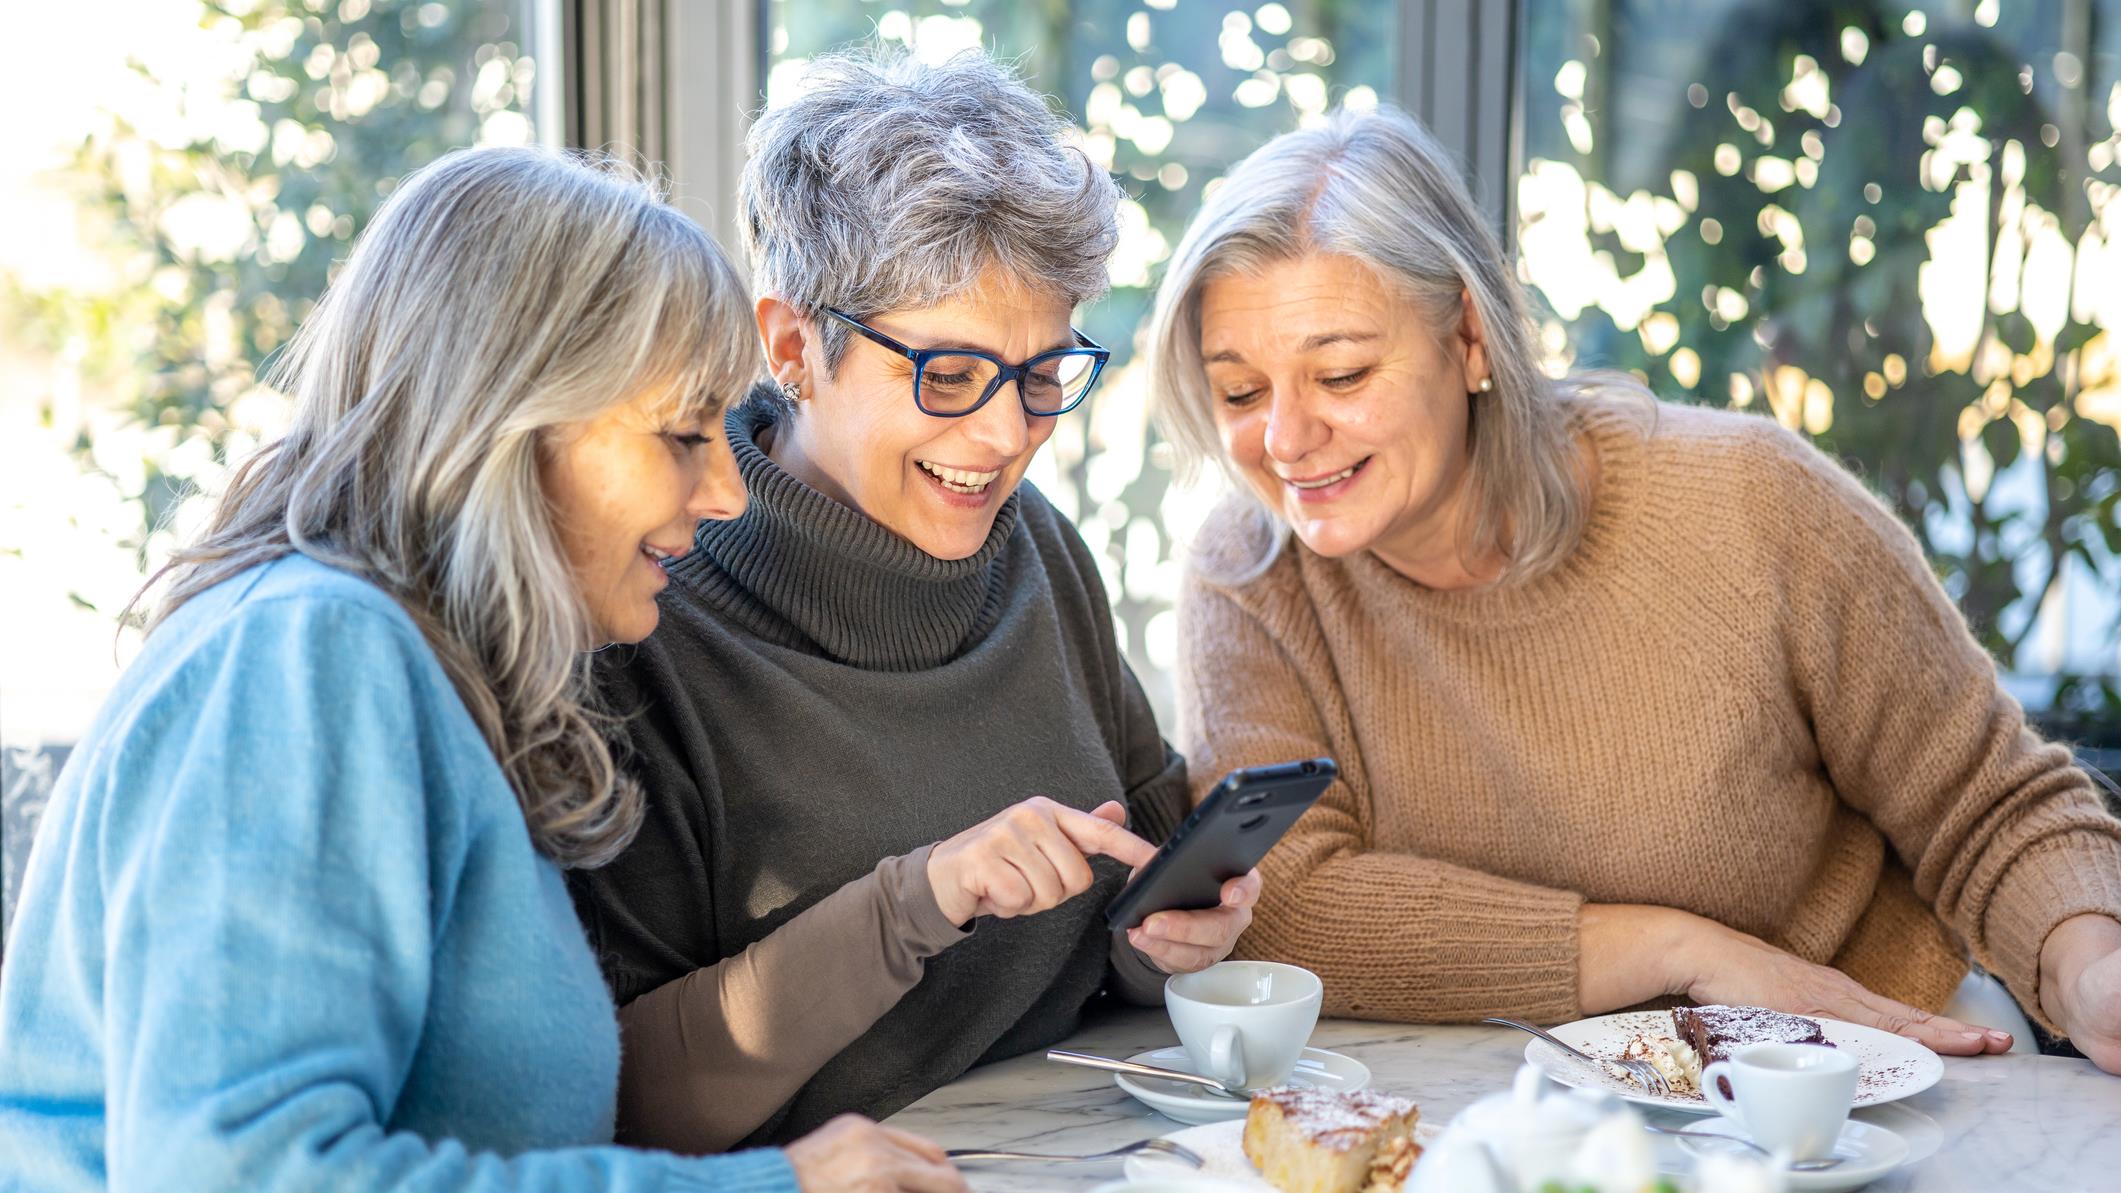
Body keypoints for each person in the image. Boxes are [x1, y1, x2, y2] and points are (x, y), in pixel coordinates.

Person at [0, 146, 966, 1191]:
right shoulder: (305, 657)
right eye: (685, 433)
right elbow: (240, 1170)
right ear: (510, 424)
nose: (728, 489)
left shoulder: (437, 682)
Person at [1145, 105, 2121, 1074]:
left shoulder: (1751, 504)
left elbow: (1987, 802)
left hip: (1859, 1068)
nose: (1283, 439)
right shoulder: (1251, 574)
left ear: (1472, 337)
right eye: (1240, 391)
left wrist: (2093, 973)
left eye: (1342, 372)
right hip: (1487, 1103)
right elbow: (1288, 898)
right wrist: (1680, 949)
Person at [567, 48, 1259, 1153]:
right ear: (795, 345)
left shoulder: (1036, 546)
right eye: (947, 375)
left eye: (1042, 375)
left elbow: (1127, 918)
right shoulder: (643, 617)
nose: (1004, 437)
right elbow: (628, 1100)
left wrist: (1170, 932)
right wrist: (919, 899)